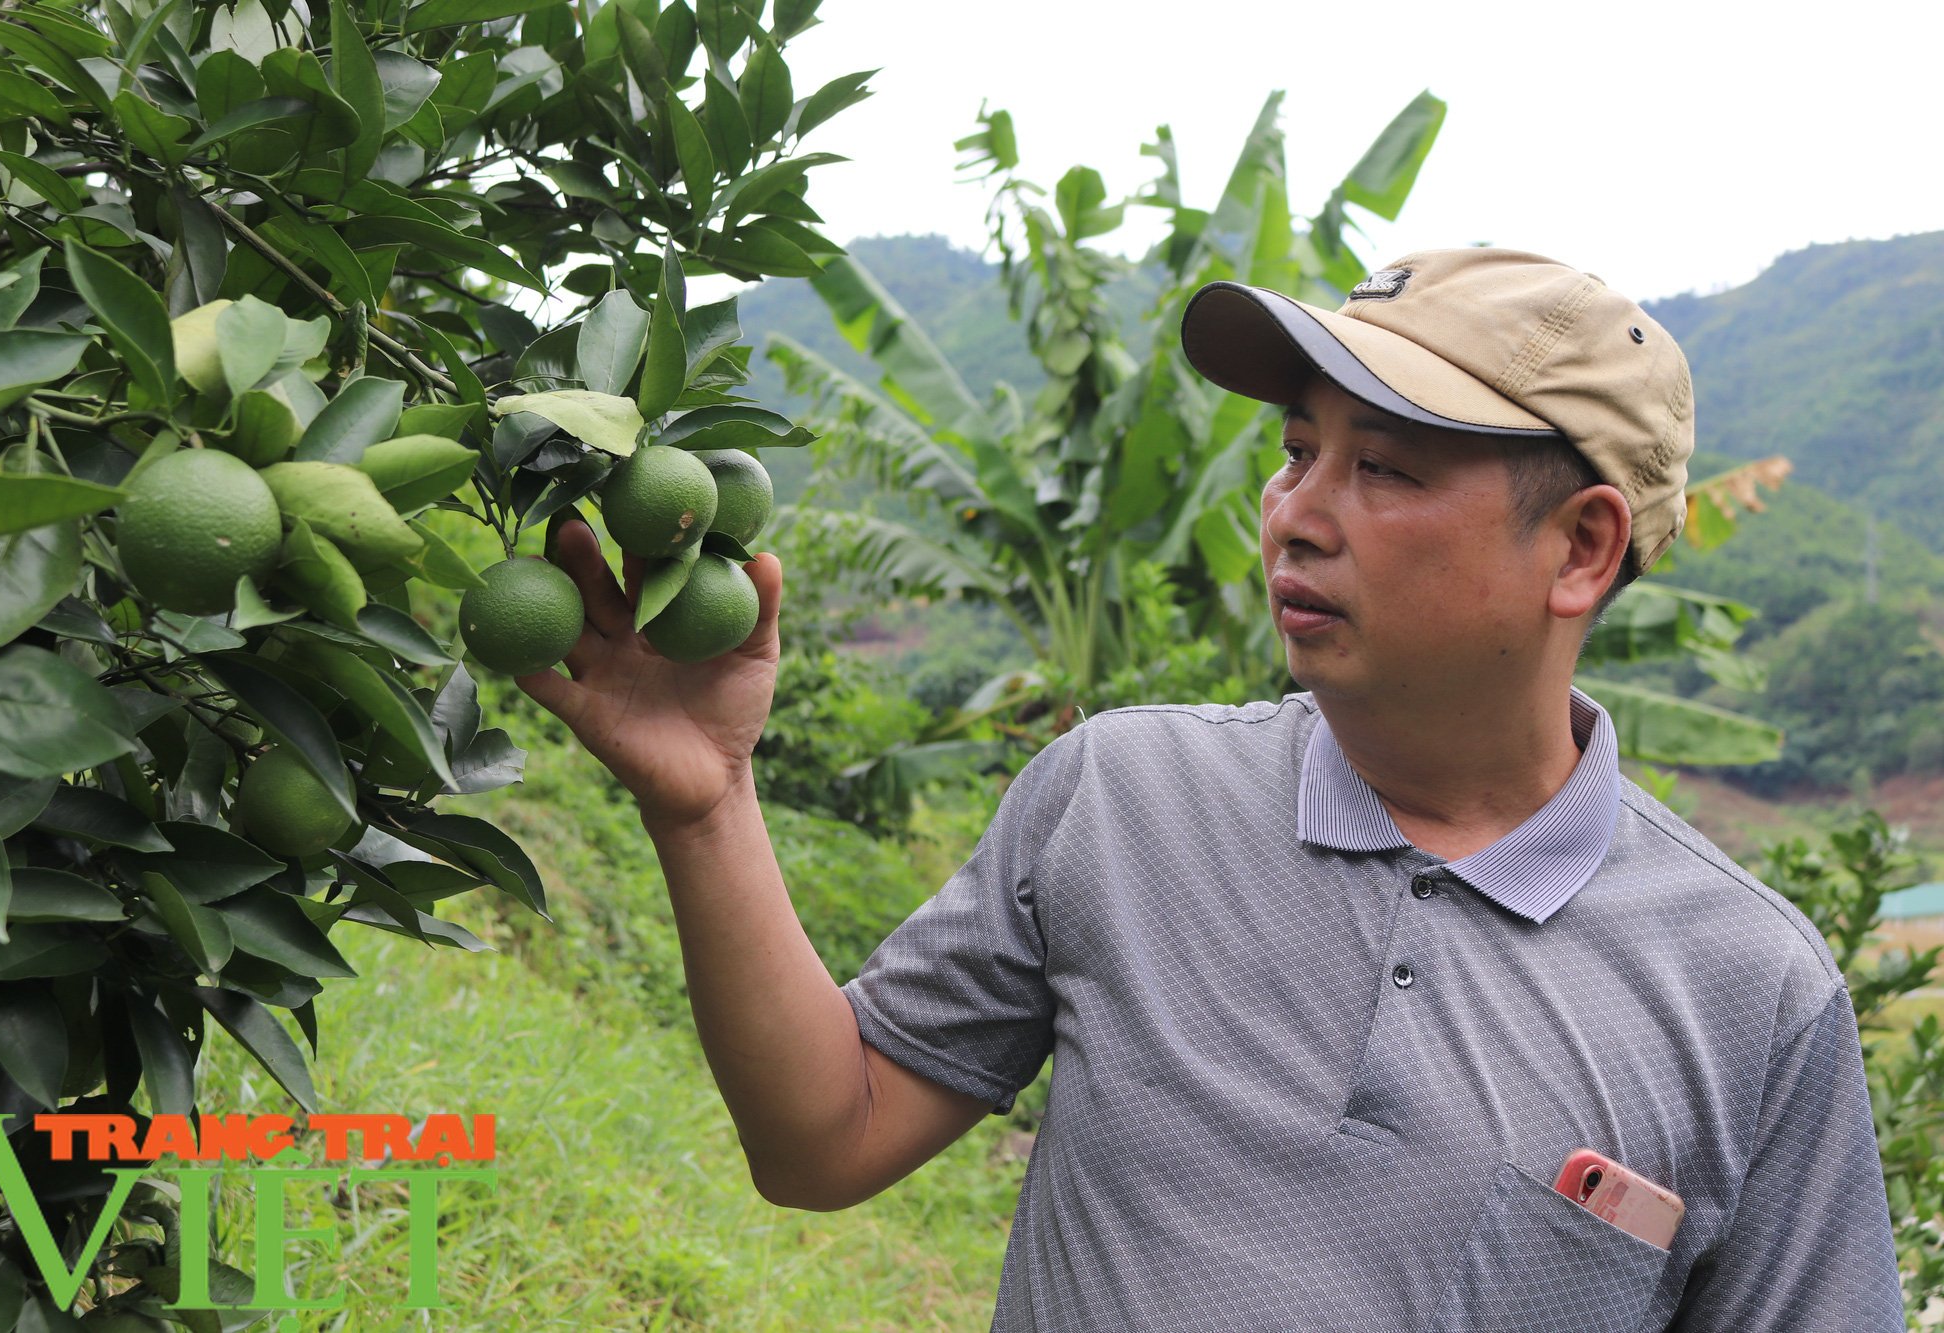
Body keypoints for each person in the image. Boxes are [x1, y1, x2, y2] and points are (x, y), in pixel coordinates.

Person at [517, 248, 1908, 1332]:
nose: (1299, 508)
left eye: (1386, 467)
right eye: (1300, 449)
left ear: (1582, 547)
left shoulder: (1751, 997)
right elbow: (826, 1134)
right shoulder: (1123, 798)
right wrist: (706, 803)